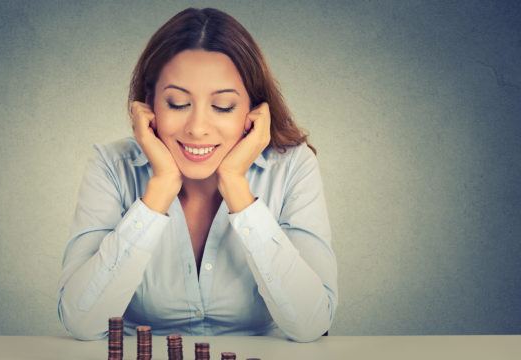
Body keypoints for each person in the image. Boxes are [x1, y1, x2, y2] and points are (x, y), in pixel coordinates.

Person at [57, 7, 338, 343]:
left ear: (253, 111)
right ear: (149, 105)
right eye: (177, 103)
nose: (197, 129)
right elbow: (81, 321)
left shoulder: (293, 166)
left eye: (222, 106)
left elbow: (311, 324)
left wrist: (236, 186)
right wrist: (159, 190)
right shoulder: (111, 165)